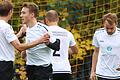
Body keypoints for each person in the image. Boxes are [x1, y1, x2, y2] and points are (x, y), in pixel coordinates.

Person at [0, 1, 50, 80]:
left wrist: (19, 34)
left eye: (23, 13)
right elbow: (19, 47)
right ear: (10, 12)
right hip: (4, 66)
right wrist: (40, 40)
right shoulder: (6, 27)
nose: (20, 15)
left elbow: (6, 41)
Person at [20, 2, 60, 80]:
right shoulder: (27, 29)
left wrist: (48, 43)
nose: (21, 15)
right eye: (21, 13)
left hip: (43, 69)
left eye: (23, 13)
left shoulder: (43, 28)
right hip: (30, 67)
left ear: (32, 15)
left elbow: (57, 46)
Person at [44, 10, 78, 80]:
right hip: (65, 70)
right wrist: (64, 50)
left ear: (46, 20)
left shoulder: (44, 33)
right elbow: (75, 50)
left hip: (50, 69)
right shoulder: (68, 33)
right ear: (58, 19)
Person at [90, 13, 120, 80]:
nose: (109, 30)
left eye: (111, 28)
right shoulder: (98, 33)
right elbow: (96, 52)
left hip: (117, 74)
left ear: (116, 24)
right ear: (103, 24)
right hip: (101, 73)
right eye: (107, 28)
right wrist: (93, 71)